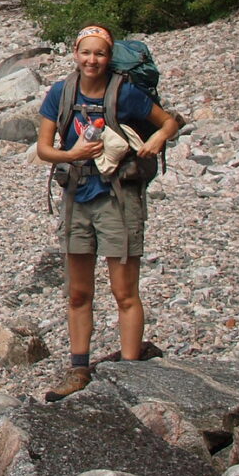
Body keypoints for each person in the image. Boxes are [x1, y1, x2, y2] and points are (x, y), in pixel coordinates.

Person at [35, 24, 183, 401]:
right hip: (78, 198)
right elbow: (44, 148)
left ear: (109, 55)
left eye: (99, 53)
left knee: (124, 292)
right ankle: (79, 368)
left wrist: (156, 139)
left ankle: (131, 373)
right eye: (86, 52)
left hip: (118, 197)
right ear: (75, 53)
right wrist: (72, 156)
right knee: (78, 293)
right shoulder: (61, 92)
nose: (92, 60)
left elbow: (168, 121)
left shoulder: (126, 92)